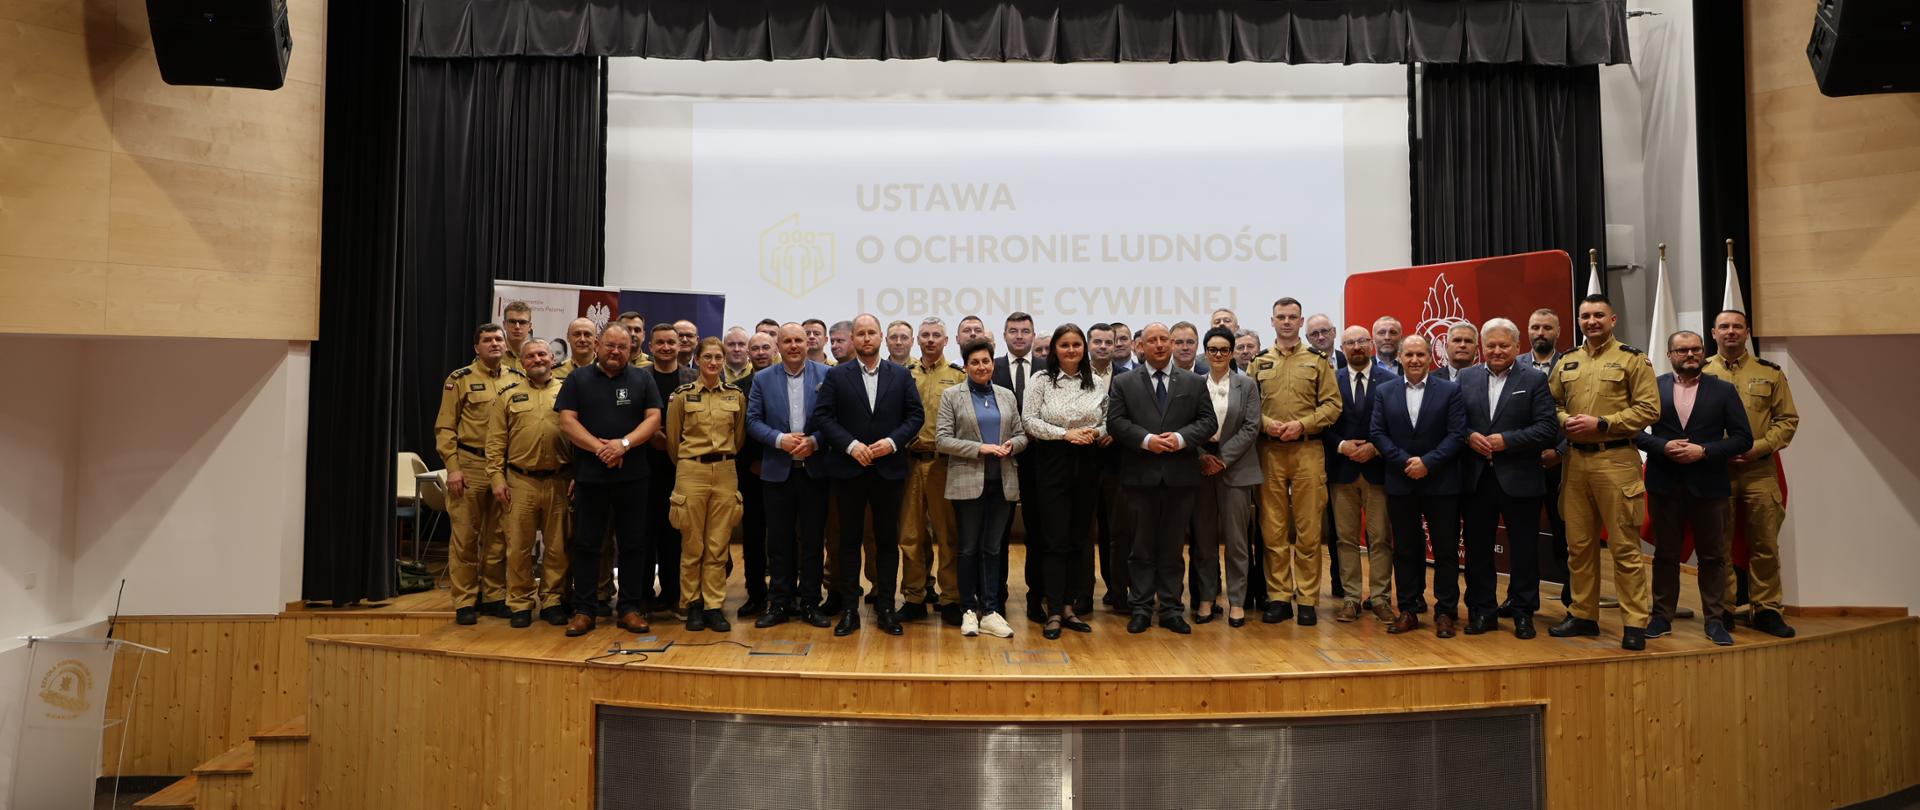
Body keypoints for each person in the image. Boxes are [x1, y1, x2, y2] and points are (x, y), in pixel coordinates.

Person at [1547, 294, 1662, 651]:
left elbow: (1649, 409)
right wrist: (1566, 421)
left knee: (1625, 548)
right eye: (1585, 316)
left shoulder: (1633, 359)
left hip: (1616, 460)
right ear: (1579, 321)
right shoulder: (1566, 361)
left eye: (1599, 315)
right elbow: (1551, 404)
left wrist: (1603, 423)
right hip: (1575, 463)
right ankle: (1583, 615)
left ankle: (1634, 622)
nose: (1592, 321)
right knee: (1578, 546)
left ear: (1613, 319)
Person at [1636, 330, 1752, 645]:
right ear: (1670, 354)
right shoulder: (1652, 387)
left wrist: (1704, 451)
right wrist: (1662, 446)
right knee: (1665, 554)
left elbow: (1744, 438)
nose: (1691, 354)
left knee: (1713, 556)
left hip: (1710, 483)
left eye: (1696, 349)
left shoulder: (1723, 390)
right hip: (1665, 482)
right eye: (1683, 350)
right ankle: (1661, 616)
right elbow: (1632, 431)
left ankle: (1715, 620)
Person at [813, 314, 925, 636]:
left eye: (871, 333)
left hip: (888, 471)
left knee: (887, 542)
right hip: (849, 470)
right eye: (859, 333)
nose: (865, 338)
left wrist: (891, 443)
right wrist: (850, 446)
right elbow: (823, 416)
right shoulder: (838, 376)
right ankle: (850, 610)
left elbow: (915, 415)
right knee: (848, 542)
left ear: (880, 338)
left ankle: (886, 609)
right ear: (852, 339)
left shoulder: (901, 375)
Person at [1107, 323, 1218, 635]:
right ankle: (1140, 606)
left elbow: (1208, 421)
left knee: (1172, 547)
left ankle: (1171, 608)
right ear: (1141, 346)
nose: (1158, 345)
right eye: (1151, 340)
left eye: (1163, 339)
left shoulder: (1194, 382)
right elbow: (1115, 422)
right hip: (1139, 476)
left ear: (1171, 343)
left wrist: (1182, 438)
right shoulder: (1124, 381)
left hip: (1180, 476)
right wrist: (1146, 440)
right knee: (1140, 546)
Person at [555, 324, 664, 636]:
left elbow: (654, 419)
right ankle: (585, 610)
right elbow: (566, 420)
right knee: (587, 543)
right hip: (591, 476)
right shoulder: (578, 378)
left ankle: (629, 608)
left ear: (631, 349)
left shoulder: (643, 378)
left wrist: (623, 445)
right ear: (598, 346)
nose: (616, 351)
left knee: (632, 543)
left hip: (633, 477)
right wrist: (602, 448)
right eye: (610, 346)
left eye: (623, 347)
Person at [1457, 318, 1561, 639]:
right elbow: (1452, 421)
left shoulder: (1533, 379)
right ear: (1481, 348)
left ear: (1517, 347)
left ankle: (1523, 612)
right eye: (1491, 345)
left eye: (1504, 345)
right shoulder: (1465, 377)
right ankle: (1483, 611)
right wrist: (1468, 435)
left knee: (1525, 550)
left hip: (1520, 477)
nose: (1497, 350)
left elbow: (1547, 428)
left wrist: (1507, 441)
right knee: (1477, 550)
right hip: (1476, 479)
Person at [1703, 308, 1799, 637]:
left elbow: (1787, 421)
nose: (1731, 332)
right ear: (1713, 333)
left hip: (1759, 471)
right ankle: (1723, 609)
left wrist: (1758, 447)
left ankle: (1767, 608)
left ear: (1747, 332)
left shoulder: (1770, 374)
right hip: (1716, 471)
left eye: (1737, 327)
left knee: (1765, 543)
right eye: (1724, 327)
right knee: (1719, 544)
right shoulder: (1699, 374)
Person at [1251, 297, 1342, 626]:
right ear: (1271, 321)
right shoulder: (1259, 362)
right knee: (1273, 530)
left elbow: (1333, 406)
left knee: (1308, 530)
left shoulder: (1317, 361)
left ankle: (1306, 598)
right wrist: (1265, 424)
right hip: (1270, 452)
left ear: (1301, 322)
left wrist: (1301, 425)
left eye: (1292, 317)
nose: (1286, 322)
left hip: (1307, 451)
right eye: (1281, 317)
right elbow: (1247, 406)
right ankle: (1278, 597)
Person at [1369, 335, 1468, 637]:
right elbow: (1377, 432)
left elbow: (1457, 433)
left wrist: (1427, 462)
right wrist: (1405, 462)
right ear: (1399, 356)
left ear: (1431, 357)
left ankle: (1446, 612)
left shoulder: (1450, 390)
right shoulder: (1385, 391)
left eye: (1420, 355)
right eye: (1408, 354)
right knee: (1406, 550)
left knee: (1446, 551)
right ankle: (1409, 609)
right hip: (1401, 482)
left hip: (1441, 482)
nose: (1414, 360)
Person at [1022, 324, 1109, 639]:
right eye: (1064, 345)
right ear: (1055, 350)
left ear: (1083, 348)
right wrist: (1064, 434)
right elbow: (1029, 420)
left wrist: (1095, 432)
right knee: (1055, 540)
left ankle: (1070, 607)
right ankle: (1054, 610)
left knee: (1078, 539)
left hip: (1087, 462)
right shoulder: (1041, 381)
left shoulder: (1096, 382)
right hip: (1052, 462)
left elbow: (1106, 419)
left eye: (1076, 344)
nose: (1071, 350)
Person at [745, 324, 834, 629]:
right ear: (778, 345)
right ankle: (780, 602)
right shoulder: (763, 378)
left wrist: (816, 441)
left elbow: (835, 419)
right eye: (788, 341)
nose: (795, 345)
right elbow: (752, 421)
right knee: (779, 542)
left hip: (815, 471)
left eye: (799, 340)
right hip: (777, 473)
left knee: (812, 541)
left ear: (808, 343)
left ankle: (810, 602)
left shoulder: (826, 375)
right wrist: (779, 439)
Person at [436, 324, 526, 624]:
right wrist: (453, 468)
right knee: (465, 536)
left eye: (498, 339)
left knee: (499, 536)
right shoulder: (459, 379)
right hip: (470, 465)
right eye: (487, 340)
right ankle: (464, 600)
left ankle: (494, 596)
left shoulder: (517, 378)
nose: (494, 344)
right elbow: (446, 428)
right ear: (477, 347)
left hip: (503, 466)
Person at [937, 338, 1027, 639]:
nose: (981, 366)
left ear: (993, 364)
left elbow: (1021, 433)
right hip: (967, 482)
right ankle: (967, 609)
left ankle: (990, 611)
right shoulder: (952, 395)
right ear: (966, 366)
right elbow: (943, 440)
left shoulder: (1006, 395)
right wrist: (981, 448)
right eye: (974, 362)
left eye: (986, 361)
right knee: (968, 549)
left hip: (1002, 482)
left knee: (992, 549)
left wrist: (1013, 444)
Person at [484, 338, 572, 628]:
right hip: (520, 482)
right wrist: (497, 479)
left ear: (552, 359)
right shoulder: (508, 395)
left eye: (542, 354)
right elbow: (495, 443)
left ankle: (552, 600)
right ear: (522, 363)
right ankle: (520, 602)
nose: (537, 359)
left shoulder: (567, 392)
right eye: (531, 356)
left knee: (557, 548)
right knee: (519, 547)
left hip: (559, 480)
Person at [663, 337, 748, 633]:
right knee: (692, 543)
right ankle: (692, 604)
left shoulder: (735, 396)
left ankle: (713, 605)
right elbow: (673, 441)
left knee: (718, 543)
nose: (713, 363)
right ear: (697, 360)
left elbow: (738, 437)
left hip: (725, 469)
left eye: (718, 357)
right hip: (691, 470)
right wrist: (690, 463)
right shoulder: (682, 396)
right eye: (708, 357)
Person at [1324, 326, 1397, 625]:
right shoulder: (1331, 380)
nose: (1356, 346)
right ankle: (1351, 598)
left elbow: (1399, 423)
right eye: (1350, 342)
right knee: (1345, 539)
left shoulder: (1391, 381)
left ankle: (1379, 598)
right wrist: (1342, 446)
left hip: (1378, 471)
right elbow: (1322, 423)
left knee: (1380, 538)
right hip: (1342, 471)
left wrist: (1376, 448)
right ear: (1342, 347)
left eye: (1361, 341)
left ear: (1371, 345)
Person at [1193, 327, 1262, 627]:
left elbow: (1251, 427)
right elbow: (1185, 424)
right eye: (1212, 349)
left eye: (1224, 349)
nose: (1218, 354)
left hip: (1236, 467)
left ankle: (1237, 601)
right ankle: (1207, 599)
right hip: (1200, 468)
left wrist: (1222, 459)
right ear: (1205, 353)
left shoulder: (1246, 385)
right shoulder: (1193, 384)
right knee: (1204, 540)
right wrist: (1202, 457)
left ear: (1232, 352)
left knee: (1236, 542)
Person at [900, 318, 967, 625]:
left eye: (935, 335)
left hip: (943, 464)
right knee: (911, 535)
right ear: (917, 341)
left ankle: (951, 597)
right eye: (925, 336)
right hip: (910, 463)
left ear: (946, 341)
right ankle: (915, 596)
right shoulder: (904, 375)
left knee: (947, 534)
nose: (930, 340)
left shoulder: (958, 376)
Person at [992, 312, 1046, 622]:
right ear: (1004, 334)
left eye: (1025, 331)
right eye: (1013, 331)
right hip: (1000, 459)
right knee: (998, 533)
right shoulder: (991, 366)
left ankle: (1036, 597)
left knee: (1037, 532)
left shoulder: (1045, 369)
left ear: (1033, 334)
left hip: (1039, 462)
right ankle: (995, 598)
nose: (1020, 336)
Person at [643, 323, 698, 617]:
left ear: (680, 347)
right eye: (660, 342)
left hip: (683, 468)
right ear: (650, 347)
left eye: (671, 343)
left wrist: (675, 442)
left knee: (675, 534)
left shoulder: (695, 377)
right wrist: (650, 437)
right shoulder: (640, 377)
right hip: (645, 467)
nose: (666, 347)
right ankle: (643, 596)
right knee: (645, 532)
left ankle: (674, 593)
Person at [733, 331, 778, 618]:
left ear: (775, 350)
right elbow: (737, 430)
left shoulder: (788, 381)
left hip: (785, 469)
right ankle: (756, 594)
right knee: (752, 536)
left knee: (785, 536)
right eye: (755, 348)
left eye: (766, 347)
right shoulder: (737, 388)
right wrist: (752, 461)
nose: (761, 352)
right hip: (751, 472)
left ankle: (786, 592)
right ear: (748, 353)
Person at [500, 301, 534, 371]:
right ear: (504, 325)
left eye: (522, 322)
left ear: (530, 326)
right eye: (512, 321)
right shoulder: (493, 354)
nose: (517, 327)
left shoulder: (538, 355)